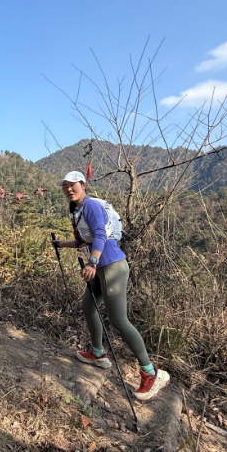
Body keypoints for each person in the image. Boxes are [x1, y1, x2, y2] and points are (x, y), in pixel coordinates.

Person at [51, 170, 169, 401]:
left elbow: (100, 234)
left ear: (83, 185)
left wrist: (92, 262)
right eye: (65, 186)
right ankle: (98, 354)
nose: (69, 189)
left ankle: (151, 373)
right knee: (89, 307)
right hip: (100, 268)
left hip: (111, 266)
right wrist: (61, 244)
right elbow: (83, 240)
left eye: (73, 184)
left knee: (118, 320)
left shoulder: (91, 206)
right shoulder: (79, 210)